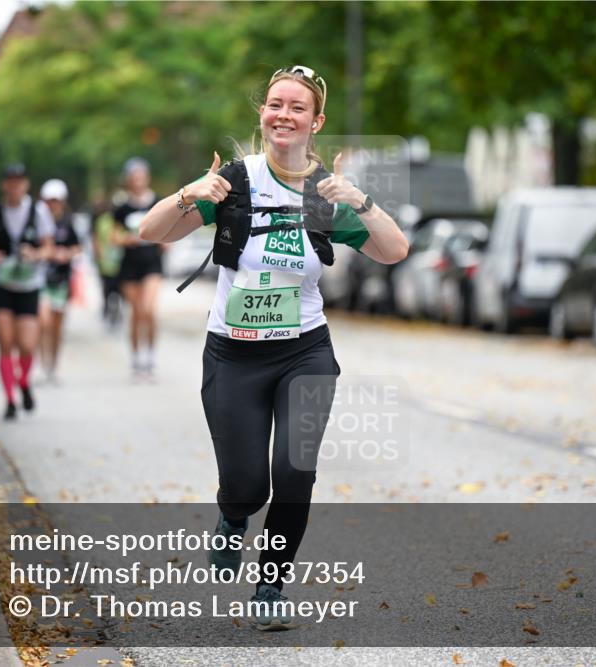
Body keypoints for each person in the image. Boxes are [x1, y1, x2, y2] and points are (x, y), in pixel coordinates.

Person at [139, 65, 408, 629]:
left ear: (316, 121)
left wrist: (359, 201)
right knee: (247, 484)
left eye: (297, 108)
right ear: (262, 113)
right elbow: (152, 232)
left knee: (294, 470)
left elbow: (394, 250)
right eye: (275, 105)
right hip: (233, 356)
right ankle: (233, 516)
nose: (284, 115)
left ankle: (270, 584)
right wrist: (191, 192)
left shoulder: (322, 193)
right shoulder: (236, 181)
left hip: (304, 352)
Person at [0, 164, 55, 421]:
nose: (14, 186)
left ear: (26, 184)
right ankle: (10, 400)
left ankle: (23, 382)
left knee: (27, 344)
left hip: (28, 283)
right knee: (5, 341)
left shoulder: (39, 211)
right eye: (10, 181)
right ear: (4, 184)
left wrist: (35, 255)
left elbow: (48, 248)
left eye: (19, 181)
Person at [113, 158, 163, 378]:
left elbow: (169, 229)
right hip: (130, 265)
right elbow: (114, 237)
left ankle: (150, 356)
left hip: (152, 263)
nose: (137, 180)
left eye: (141, 176)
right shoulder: (122, 208)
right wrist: (129, 239)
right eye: (133, 177)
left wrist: (164, 241)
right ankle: (135, 357)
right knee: (136, 312)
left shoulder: (158, 202)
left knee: (149, 310)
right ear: (128, 180)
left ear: (147, 177)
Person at [38, 178, 81, 384]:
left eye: (57, 200)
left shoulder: (67, 222)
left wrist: (66, 253)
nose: (53, 204)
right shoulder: (36, 221)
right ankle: (42, 362)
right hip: (40, 279)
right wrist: (47, 253)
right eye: (50, 200)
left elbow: (78, 247)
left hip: (61, 280)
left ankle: (52, 367)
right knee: (43, 323)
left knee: (56, 326)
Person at [91, 200, 123, 330]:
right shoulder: (102, 220)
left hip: (119, 262)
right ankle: (107, 308)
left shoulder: (120, 220)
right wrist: (98, 256)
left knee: (119, 289)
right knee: (107, 288)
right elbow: (96, 239)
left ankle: (116, 310)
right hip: (106, 262)